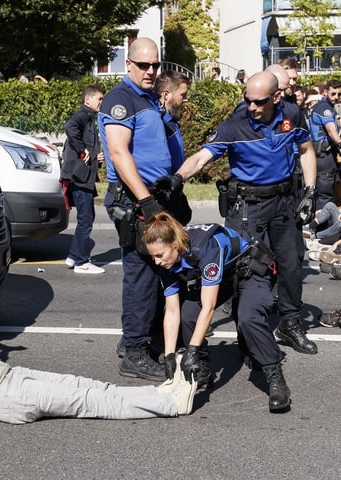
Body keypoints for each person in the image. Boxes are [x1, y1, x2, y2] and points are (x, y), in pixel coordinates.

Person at [0, 197, 198, 423]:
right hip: (3, 399)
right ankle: (170, 404)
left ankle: (164, 391)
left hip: (14, 376)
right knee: (90, 401)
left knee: (88, 386)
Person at [175, 71, 319, 356]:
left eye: (259, 102)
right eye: (248, 100)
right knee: (247, 270)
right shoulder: (235, 124)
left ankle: (289, 322)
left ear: (277, 97)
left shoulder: (292, 114)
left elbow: (306, 149)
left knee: (291, 264)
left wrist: (311, 191)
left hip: (284, 202)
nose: (251, 107)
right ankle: (248, 336)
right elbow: (203, 157)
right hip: (248, 208)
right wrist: (177, 178)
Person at [98, 38, 189, 381]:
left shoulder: (148, 99)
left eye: (155, 65)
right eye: (144, 65)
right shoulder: (120, 99)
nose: (151, 71)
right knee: (141, 275)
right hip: (134, 200)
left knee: (156, 273)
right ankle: (134, 351)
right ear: (129, 64)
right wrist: (146, 201)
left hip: (152, 196)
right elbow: (119, 153)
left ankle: (138, 341)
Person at [142, 213, 291, 412]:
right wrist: (169, 355)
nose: (156, 261)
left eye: (159, 255)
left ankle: (275, 377)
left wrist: (191, 350)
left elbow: (209, 307)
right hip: (224, 278)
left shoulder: (205, 247)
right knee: (188, 316)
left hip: (249, 271)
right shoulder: (165, 261)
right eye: (153, 256)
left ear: (175, 246)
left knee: (249, 318)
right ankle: (203, 369)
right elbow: (171, 310)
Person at [61, 85, 106, 274]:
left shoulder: (89, 118)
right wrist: (82, 150)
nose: (101, 103)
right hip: (78, 176)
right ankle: (81, 262)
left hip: (81, 175)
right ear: (88, 100)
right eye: (99, 99)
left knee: (85, 217)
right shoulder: (83, 115)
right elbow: (69, 127)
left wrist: (96, 157)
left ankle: (73, 256)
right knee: (86, 218)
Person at [308, 79, 341, 209]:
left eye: (339, 94)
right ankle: (323, 226)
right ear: (325, 92)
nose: (336, 97)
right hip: (323, 156)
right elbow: (331, 130)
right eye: (333, 94)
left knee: (325, 192)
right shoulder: (325, 108)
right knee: (325, 195)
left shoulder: (322, 106)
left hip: (324, 155)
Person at [155, 71, 192, 173]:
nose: (186, 99)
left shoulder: (172, 121)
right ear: (166, 95)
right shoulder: (157, 124)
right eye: (183, 95)